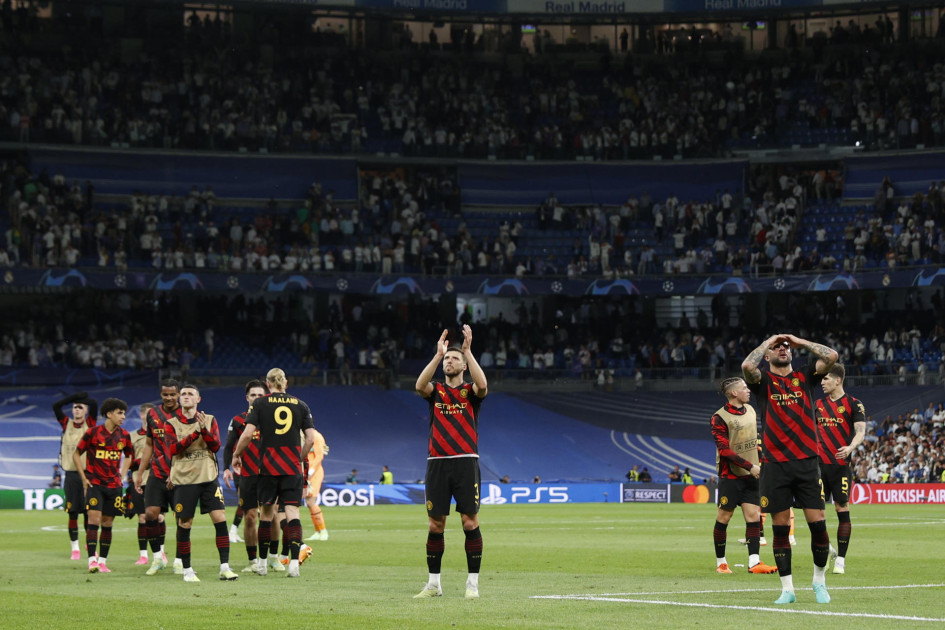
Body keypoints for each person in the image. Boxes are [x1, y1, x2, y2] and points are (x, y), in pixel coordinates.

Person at [743, 333, 838, 605]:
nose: (782, 349)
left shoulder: (806, 376)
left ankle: (819, 581)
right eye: (777, 348)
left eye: (786, 347)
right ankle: (788, 589)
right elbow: (748, 367)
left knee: (818, 525)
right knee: (780, 527)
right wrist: (768, 341)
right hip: (774, 465)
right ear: (768, 355)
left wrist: (800, 341)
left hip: (807, 461)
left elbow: (831, 357)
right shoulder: (763, 382)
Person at [413, 325, 488, 599]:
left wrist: (468, 350)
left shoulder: (470, 392)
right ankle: (434, 584)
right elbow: (419, 385)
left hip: (466, 462)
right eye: (447, 358)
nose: (449, 361)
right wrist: (436, 355)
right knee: (436, 525)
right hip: (438, 463)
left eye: (454, 358)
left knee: (470, 522)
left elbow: (483, 386)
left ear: (464, 365)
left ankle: (472, 585)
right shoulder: (437, 393)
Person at [234, 368, 316, 578]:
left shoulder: (260, 404)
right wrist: (298, 458)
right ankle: (294, 565)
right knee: (292, 514)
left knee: (267, 515)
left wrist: (237, 454)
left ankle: (261, 564)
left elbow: (247, 434)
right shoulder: (301, 405)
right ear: (285, 383)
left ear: (268, 384)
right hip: (291, 469)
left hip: (269, 467)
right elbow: (310, 439)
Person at [163, 384, 237, 583]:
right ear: (179, 399)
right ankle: (187, 570)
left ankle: (225, 567)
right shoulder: (170, 424)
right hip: (185, 481)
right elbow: (173, 450)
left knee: (220, 519)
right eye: (184, 394)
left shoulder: (210, 420)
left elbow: (215, 445)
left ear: (198, 400)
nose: (186, 397)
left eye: (190, 394)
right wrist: (197, 432)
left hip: (208, 478)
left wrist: (203, 430)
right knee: (185, 523)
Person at [709, 377, 778, 575]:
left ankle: (754, 563)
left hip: (752, 474)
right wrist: (750, 466)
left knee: (753, 516)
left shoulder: (751, 410)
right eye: (744, 388)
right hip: (730, 476)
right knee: (724, 517)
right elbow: (724, 451)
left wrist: (761, 462)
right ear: (733, 393)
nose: (748, 390)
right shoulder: (719, 417)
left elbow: (755, 441)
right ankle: (721, 563)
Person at [816, 364, 866, 575]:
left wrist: (850, 447)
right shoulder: (817, 404)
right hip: (818, 467)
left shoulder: (854, 404)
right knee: (816, 514)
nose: (822, 382)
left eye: (826, 378)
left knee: (841, 509)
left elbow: (861, 431)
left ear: (837, 380)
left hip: (840, 466)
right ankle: (826, 550)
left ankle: (841, 560)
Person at [73, 398, 133, 573]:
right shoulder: (92, 433)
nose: (123, 417)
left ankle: (103, 561)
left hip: (113, 486)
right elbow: (76, 454)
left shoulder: (125, 435)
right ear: (109, 414)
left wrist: (121, 475)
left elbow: (129, 456)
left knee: (108, 523)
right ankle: (92, 560)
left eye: (124, 413)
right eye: (119, 413)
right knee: (94, 520)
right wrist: (84, 478)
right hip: (95, 484)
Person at [135, 379, 183, 576]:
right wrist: (140, 474)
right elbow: (149, 444)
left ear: (178, 394)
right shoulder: (153, 414)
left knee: (183, 519)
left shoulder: (186, 413)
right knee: (150, 515)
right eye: (166, 394)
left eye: (173, 394)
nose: (169, 398)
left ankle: (180, 560)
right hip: (157, 472)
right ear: (161, 394)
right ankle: (157, 558)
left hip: (181, 474)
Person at [223, 379, 269, 572]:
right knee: (250, 517)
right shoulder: (238, 420)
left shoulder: (272, 419)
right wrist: (226, 468)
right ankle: (252, 561)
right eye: (253, 395)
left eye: (260, 395)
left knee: (271, 517)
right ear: (247, 398)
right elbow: (228, 446)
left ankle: (271, 558)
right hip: (247, 475)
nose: (257, 398)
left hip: (270, 473)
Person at [54, 391, 98, 560]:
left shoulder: (91, 424)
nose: (77, 409)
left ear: (86, 411)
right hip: (71, 474)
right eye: (74, 407)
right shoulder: (66, 424)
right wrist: (74, 398)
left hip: (88, 474)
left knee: (89, 511)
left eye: (80, 407)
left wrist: (83, 399)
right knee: (72, 512)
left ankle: (89, 542)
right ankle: (75, 548)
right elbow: (56, 406)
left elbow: (93, 402)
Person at [126, 403, 154, 566]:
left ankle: (160, 553)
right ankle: (143, 555)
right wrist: (142, 462)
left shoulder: (160, 434)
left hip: (156, 480)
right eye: (148, 414)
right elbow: (128, 461)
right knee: (142, 517)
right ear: (142, 415)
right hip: (139, 481)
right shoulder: (132, 436)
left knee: (158, 516)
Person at [304, 429, 330, 542]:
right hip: (305, 472)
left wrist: (311, 471)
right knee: (309, 502)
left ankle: (323, 531)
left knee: (310, 501)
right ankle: (318, 531)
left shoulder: (317, 436)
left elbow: (319, 456)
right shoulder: (302, 435)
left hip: (314, 473)